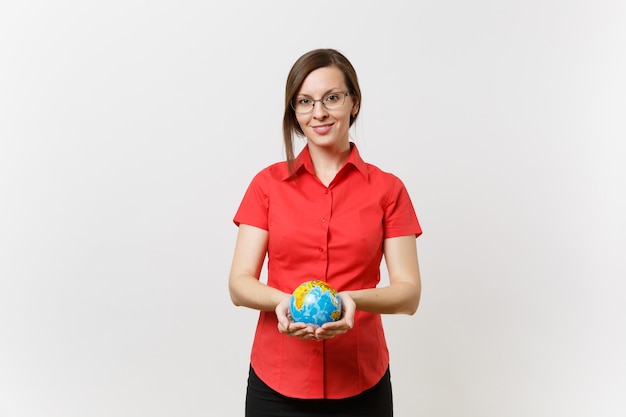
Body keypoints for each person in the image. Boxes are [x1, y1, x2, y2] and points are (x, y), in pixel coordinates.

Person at [228, 48, 422, 417]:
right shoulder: (266, 186)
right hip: (277, 380)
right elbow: (239, 283)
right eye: (305, 101)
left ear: (354, 103)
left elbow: (408, 294)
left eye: (332, 98)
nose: (318, 112)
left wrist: (351, 300)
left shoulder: (388, 189)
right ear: (294, 113)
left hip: (361, 381)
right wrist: (281, 302)